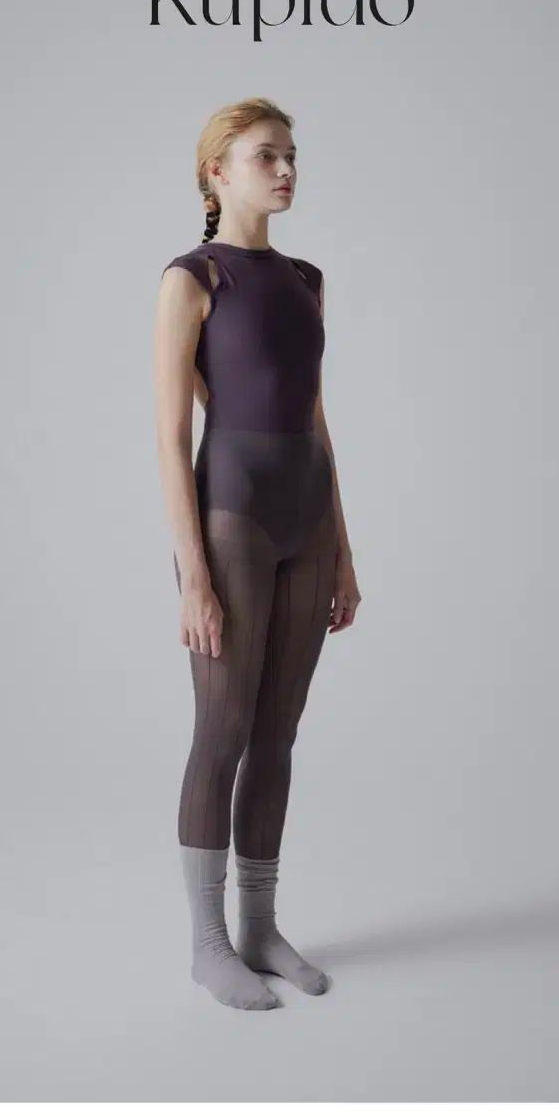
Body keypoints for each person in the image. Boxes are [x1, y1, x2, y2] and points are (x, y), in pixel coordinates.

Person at [153, 97, 361, 1011]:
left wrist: (343, 550)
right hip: (232, 521)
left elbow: (315, 417)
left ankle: (260, 929)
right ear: (217, 172)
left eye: (291, 156)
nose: (285, 170)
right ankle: (208, 947)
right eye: (265, 156)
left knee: (278, 733)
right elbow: (170, 438)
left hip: (306, 520)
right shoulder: (192, 279)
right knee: (224, 730)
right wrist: (192, 574)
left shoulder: (307, 279)